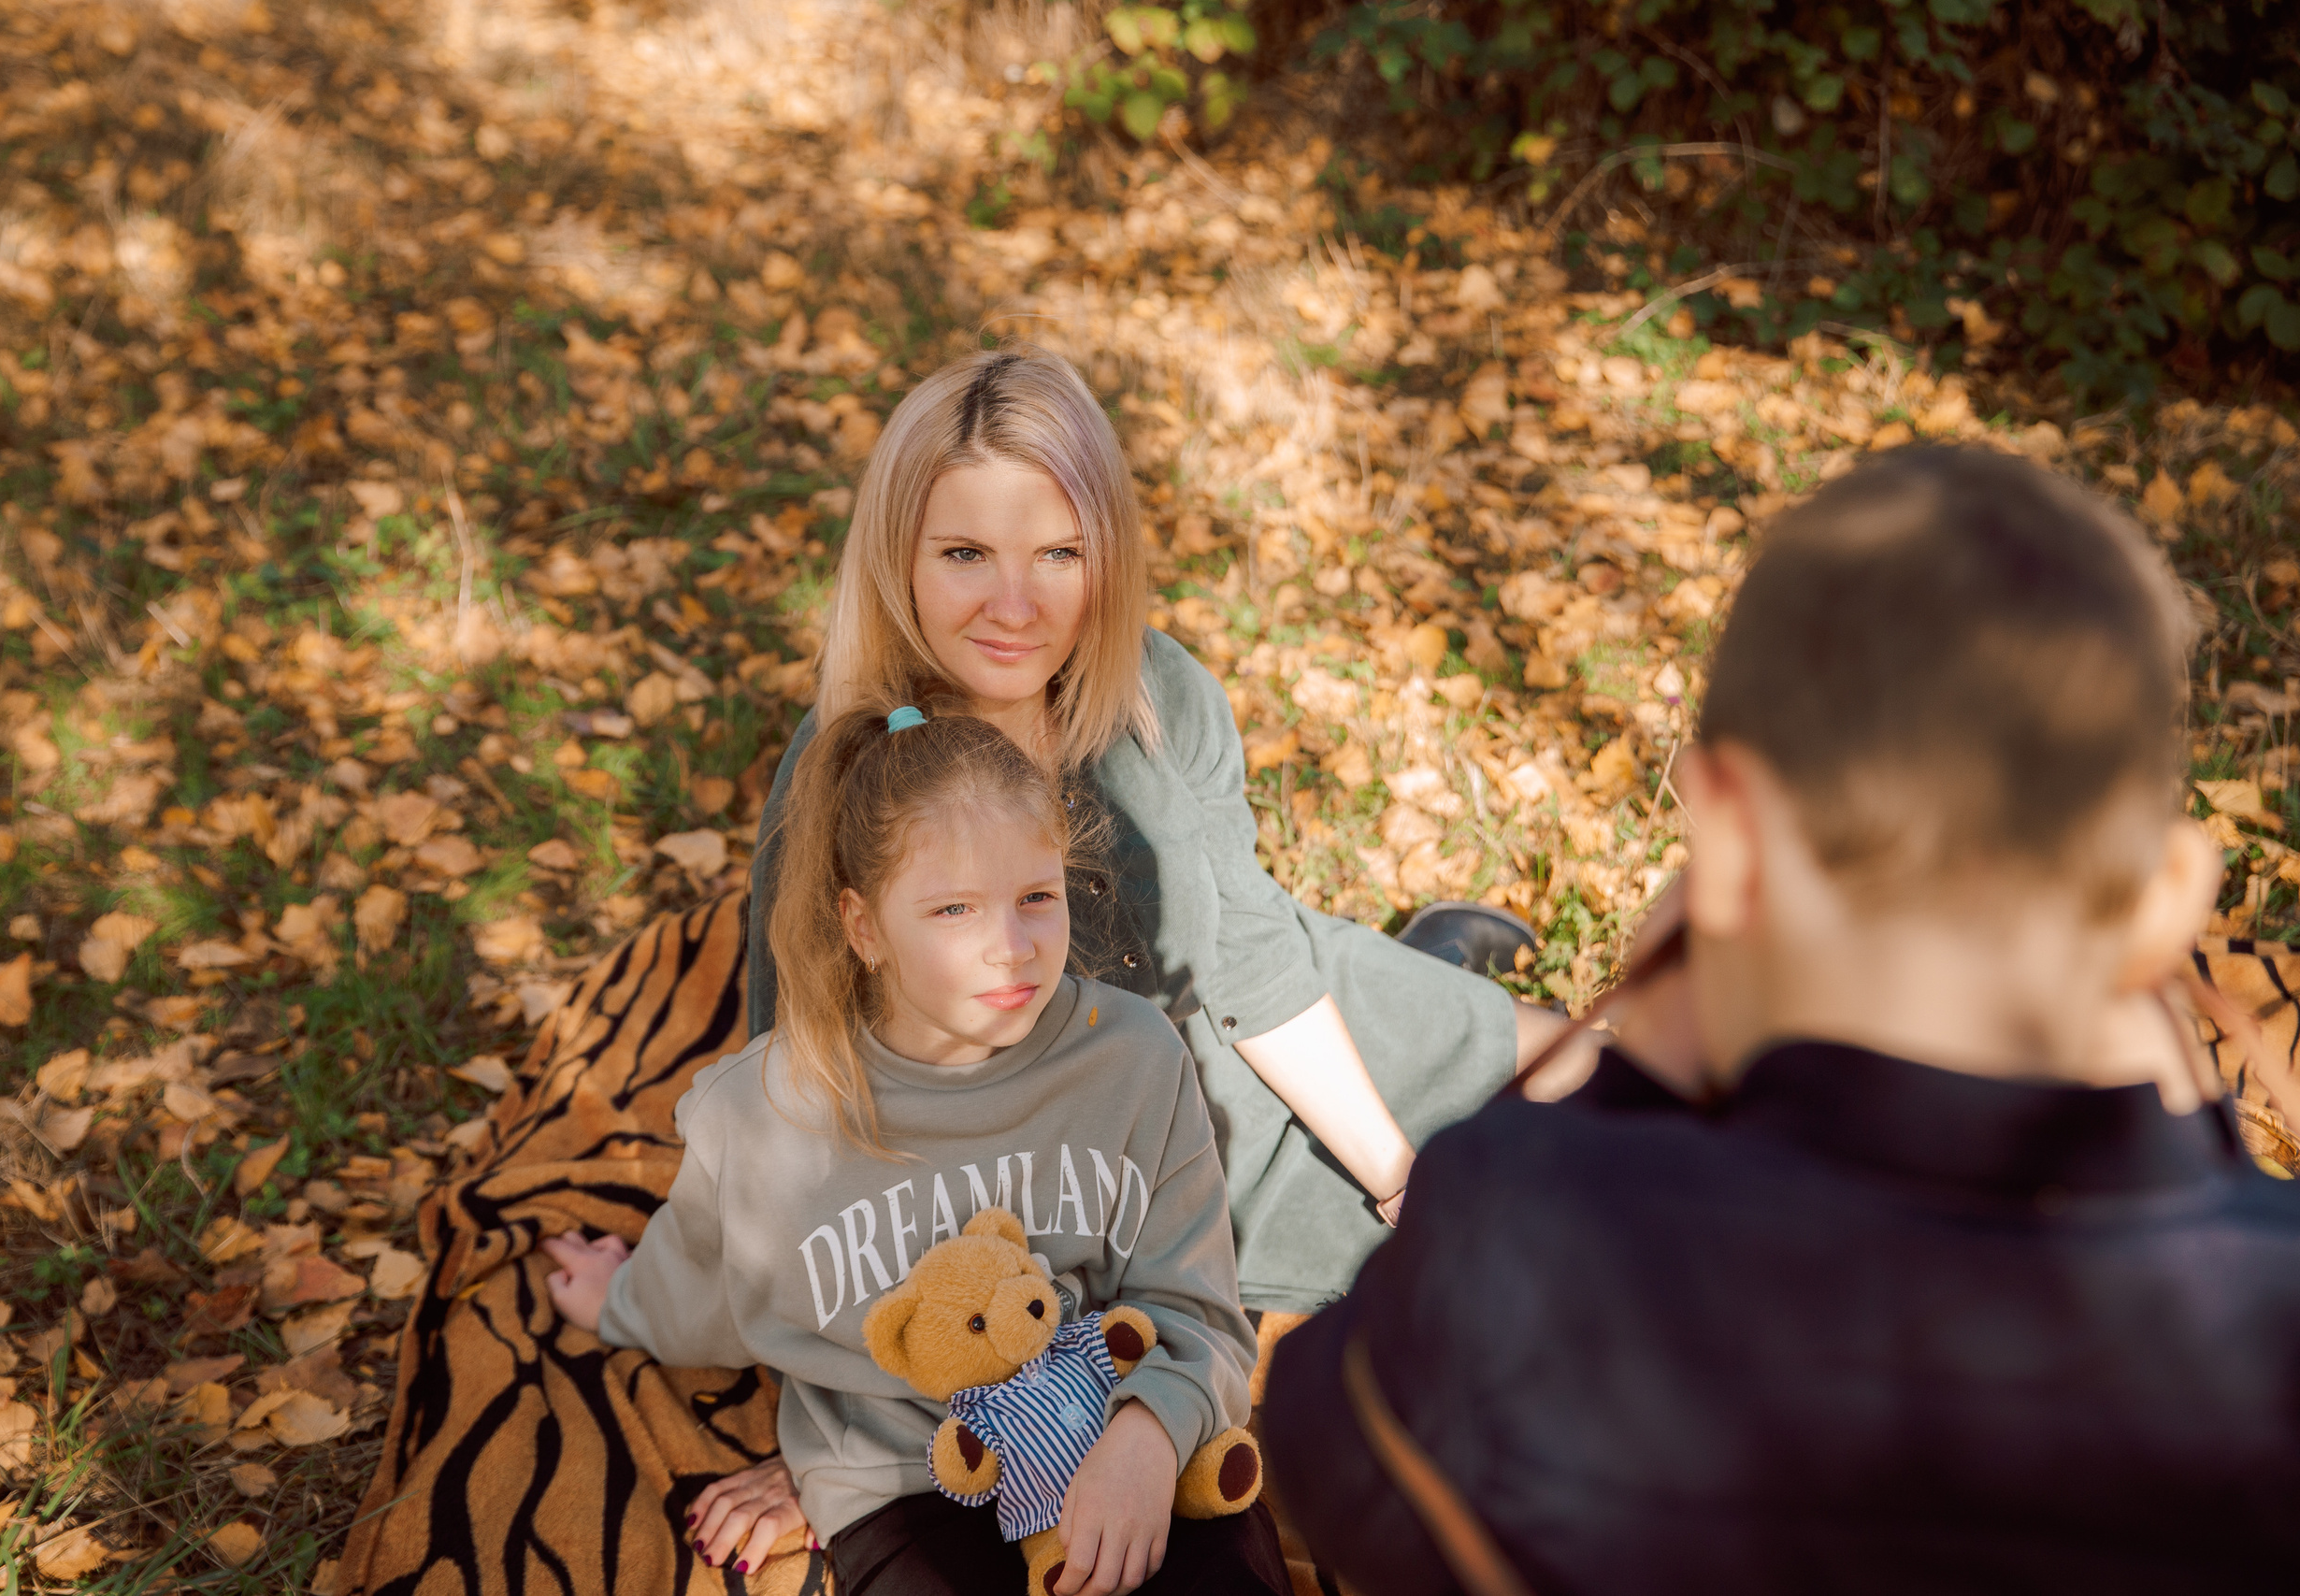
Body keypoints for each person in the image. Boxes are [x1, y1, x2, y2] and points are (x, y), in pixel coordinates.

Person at [1261, 446, 2300, 1592]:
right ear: (2168, 902)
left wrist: (1635, 1068)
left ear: (1724, 844)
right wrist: (2198, 1149)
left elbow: (1321, 1439)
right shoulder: (2267, 1325)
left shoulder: (1520, 1236)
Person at [748, 345, 1571, 1323]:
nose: (1014, 606)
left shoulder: (1157, 688)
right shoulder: (844, 768)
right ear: (899, 557)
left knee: (1606, 1075)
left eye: (1059, 553)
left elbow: (1253, 952)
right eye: (965, 553)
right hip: (1120, 1182)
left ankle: (1427, 968)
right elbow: (801, 1080)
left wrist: (1397, 1176)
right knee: (1521, 1269)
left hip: (1278, 1037)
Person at [542, 699, 1287, 1596]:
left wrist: (1151, 1434)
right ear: (863, 927)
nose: (1012, 948)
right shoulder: (765, 1114)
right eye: (954, 908)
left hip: (1123, 1419)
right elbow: (698, 1282)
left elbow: (1197, 1307)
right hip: (910, 1481)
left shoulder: (1132, 1057)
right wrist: (617, 1301)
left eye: (1037, 897)